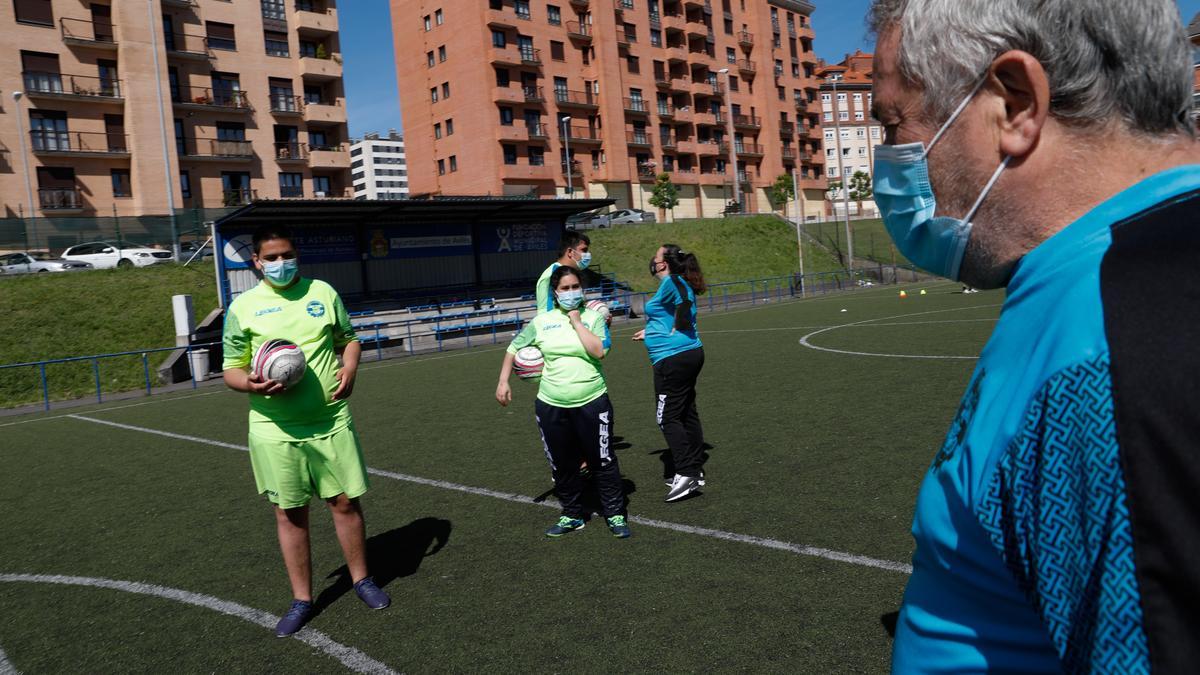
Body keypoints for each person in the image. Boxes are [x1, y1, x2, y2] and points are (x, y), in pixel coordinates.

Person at [868, 1, 1200, 671]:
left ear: (1015, 105)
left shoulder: (1114, 343)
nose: (892, 162)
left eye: (896, 124)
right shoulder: (1101, 283)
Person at [222, 226, 390, 637]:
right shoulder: (243, 307)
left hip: (330, 420)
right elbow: (230, 369)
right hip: (274, 428)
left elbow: (348, 339)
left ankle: (362, 580)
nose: (282, 264)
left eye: (288, 255)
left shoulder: (323, 293)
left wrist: (350, 365)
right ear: (257, 262)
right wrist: (250, 383)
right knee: (290, 513)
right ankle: (302, 599)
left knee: (345, 503)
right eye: (272, 258)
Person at [495, 265, 631, 539]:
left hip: (592, 400)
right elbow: (514, 347)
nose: (570, 292)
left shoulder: (594, 317)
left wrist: (577, 321)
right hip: (551, 404)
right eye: (564, 289)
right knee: (562, 463)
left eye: (574, 287)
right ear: (555, 293)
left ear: (582, 289)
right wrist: (503, 380)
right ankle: (571, 514)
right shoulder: (542, 321)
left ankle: (614, 513)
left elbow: (599, 351)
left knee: (602, 460)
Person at [633, 245, 707, 502]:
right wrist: (651, 332)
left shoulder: (673, 280)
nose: (652, 261)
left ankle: (687, 473)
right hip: (683, 354)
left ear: (663, 264)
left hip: (673, 358)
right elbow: (666, 316)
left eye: (655, 257)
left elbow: (684, 301)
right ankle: (694, 468)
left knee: (667, 417)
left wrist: (681, 324)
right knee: (686, 411)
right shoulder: (670, 283)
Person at [535, 230, 591, 315]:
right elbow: (546, 313)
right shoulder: (552, 274)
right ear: (570, 252)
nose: (588, 254)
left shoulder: (573, 274)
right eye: (584, 250)